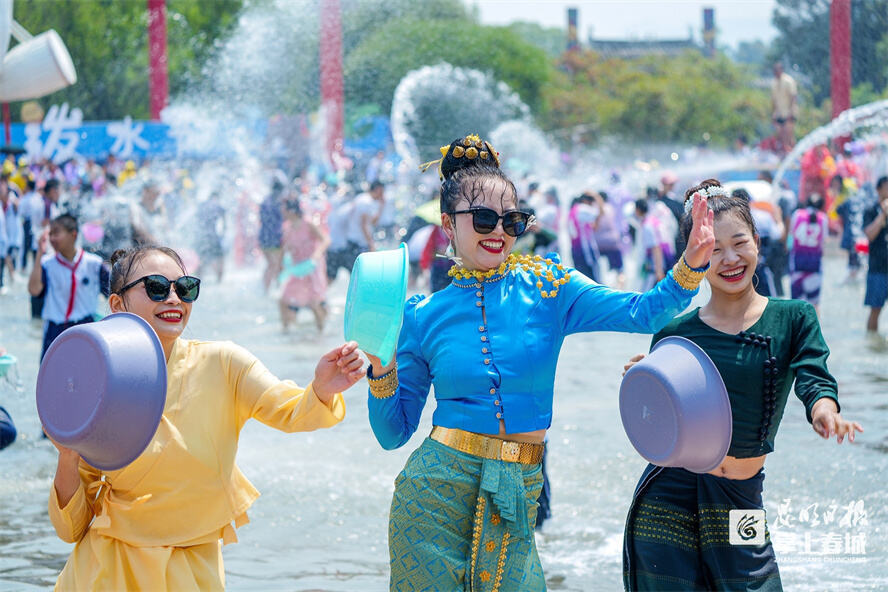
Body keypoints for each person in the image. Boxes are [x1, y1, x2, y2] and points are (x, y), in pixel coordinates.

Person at [363, 134, 715, 591]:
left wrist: (691, 263)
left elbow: (643, 312)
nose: (499, 233)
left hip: (520, 487)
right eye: (484, 218)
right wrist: (381, 366)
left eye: (512, 221)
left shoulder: (551, 287)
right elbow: (393, 433)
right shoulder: (420, 316)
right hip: (434, 498)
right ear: (449, 225)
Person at [46, 244, 364, 591]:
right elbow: (71, 529)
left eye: (184, 288)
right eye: (155, 287)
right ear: (118, 304)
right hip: (109, 571)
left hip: (194, 573)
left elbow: (291, 411)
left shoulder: (224, 363)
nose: (173, 298)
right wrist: (66, 455)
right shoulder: (99, 381)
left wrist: (322, 387)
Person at [622, 180, 862, 591]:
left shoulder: (794, 317)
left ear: (757, 242)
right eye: (713, 249)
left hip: (740, 500)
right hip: (669, 499)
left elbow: (814, 374)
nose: (729, 258)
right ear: (694, 257)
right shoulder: (673, 334)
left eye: (739, 242)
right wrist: (644, 381)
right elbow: (657, 423)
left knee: (757, 583)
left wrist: (825, 410)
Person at [28, 215, 111, 361]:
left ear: (73, 234)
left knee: (87, 373)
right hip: (55, 330)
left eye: (56, 233)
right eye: (50, 234)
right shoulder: (47, 264)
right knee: (51, 376)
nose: (52, 238)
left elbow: (113, 295)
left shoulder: (94, 264)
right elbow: (34, 290)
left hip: (85, 328)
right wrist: (39, 254)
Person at [278, 199, 329, 333]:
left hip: (312, 268)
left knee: (314, 303)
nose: (282, 212)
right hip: (297, 269)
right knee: (283, 301)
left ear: (291, 211)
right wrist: (281, 265)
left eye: (284, 209)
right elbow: (285, 248)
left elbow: (325, 240)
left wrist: (317, 254)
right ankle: (286, 331)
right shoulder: (287, 227)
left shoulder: (308, 223)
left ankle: (321, 332)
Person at [788, 192, 828, 312]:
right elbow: (823, 243)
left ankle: (795, 329)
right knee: (814, 304)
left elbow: (791, 236)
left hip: (797, 262)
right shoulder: (823, 218)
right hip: (814, 264)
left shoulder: (797, 214)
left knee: (795, 304)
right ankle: (814, 329)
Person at [863, 176, 888, 333]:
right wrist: (883, 215)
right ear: (878, 190)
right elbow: (870, 235)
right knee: (875, 310)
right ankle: (871, 342)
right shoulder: (871, 210)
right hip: (877, 268)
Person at [771, 62, 798, 152]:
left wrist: (791, 111)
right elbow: (774, 100)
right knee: (780, 135)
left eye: (777, 70)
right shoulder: (774, 83)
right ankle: (784, 154)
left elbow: (793, 96)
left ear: (781, 70)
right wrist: (774, 113)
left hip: (788, 112)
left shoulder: (788, 81)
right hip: (779, 113)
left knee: (789, 135)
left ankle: (793, 154)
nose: (775, 72)